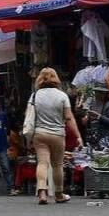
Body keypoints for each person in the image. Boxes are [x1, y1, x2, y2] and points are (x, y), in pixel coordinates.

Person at [29, 68, 83, 205]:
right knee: (57, 165)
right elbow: (69, 117)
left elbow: (28, 116)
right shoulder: (62, 96)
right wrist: (78, 136)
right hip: (57, 134)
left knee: (42, 163)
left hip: (39, 133)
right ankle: (59, 194)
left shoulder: (35, 96)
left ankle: (42, 192)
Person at [83, 85, 109, 150]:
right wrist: (87, 118)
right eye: (96, 92)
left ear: (105, 94)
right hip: (92, 134)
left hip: (104, 135)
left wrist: (99, 116)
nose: (97, 95)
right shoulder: (93, 103)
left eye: (100, 93)